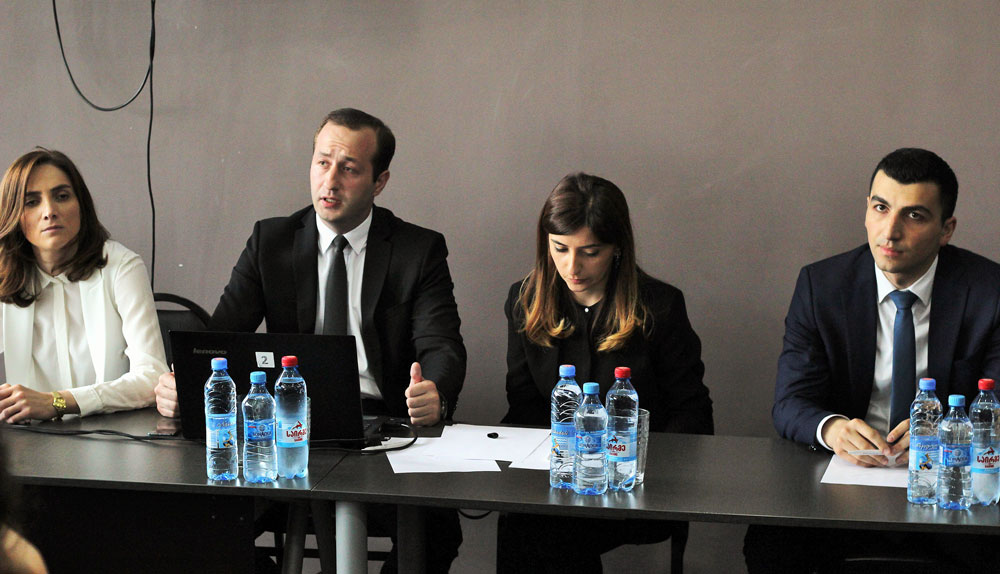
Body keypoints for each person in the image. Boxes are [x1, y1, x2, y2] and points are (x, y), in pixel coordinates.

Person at [153, 108, 465, 573]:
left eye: (349, 169)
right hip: (283, 426)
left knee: (437, 530)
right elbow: (221, 338)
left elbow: (442, 344)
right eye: (322, 163)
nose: (330, 181)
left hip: (379, 429)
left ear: (379, 182)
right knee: (200, 516)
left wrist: (434, 390)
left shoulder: (417, 250)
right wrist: (181, 382)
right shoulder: (271, 240)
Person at [745, 148, 1000, 571]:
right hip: (843, 480)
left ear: (946, 229)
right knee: (771, 546)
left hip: (951, 485)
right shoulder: (822, 285)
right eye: (881, 208)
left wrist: (943, 436)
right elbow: (790, 402)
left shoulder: (990, 292)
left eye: (914, 216)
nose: (890, 231)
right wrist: (832, 429)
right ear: (867, 210)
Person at [498, 172, 713, 573]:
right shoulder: (525, 300)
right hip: (559, 479)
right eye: (560, 248)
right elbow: (524, 408)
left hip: (631, 484)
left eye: (590, 252)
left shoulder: (660, 306)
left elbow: (693, 414)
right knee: (527, 525)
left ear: (617, 248)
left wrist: (634, 469)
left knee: (550, 534)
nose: (572, 266)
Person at [0, 149, 167, 423]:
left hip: (111, 434)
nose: (49, 212)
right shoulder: (5, 275)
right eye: (31, 202)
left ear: (81, 204)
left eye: (62, 196)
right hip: (29, 437)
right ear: (13, 215)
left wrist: (57, 402)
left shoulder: (121, 266)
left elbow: (152, 377)